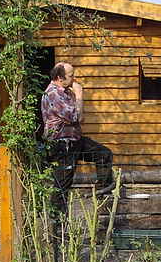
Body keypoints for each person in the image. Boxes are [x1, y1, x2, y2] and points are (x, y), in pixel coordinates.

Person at [41, 62, 114, 210]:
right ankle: (58, 227)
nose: (74, 79)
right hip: (62, 144)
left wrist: (78, 105)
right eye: (71, 76)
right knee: (62, 186)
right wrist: (80, 96)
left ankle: (102, 193)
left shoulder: (66, 92)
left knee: (103, 154)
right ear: (60, 77)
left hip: (75, 140)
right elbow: (75, 116)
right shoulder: (53, 94)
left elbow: (81, 117)